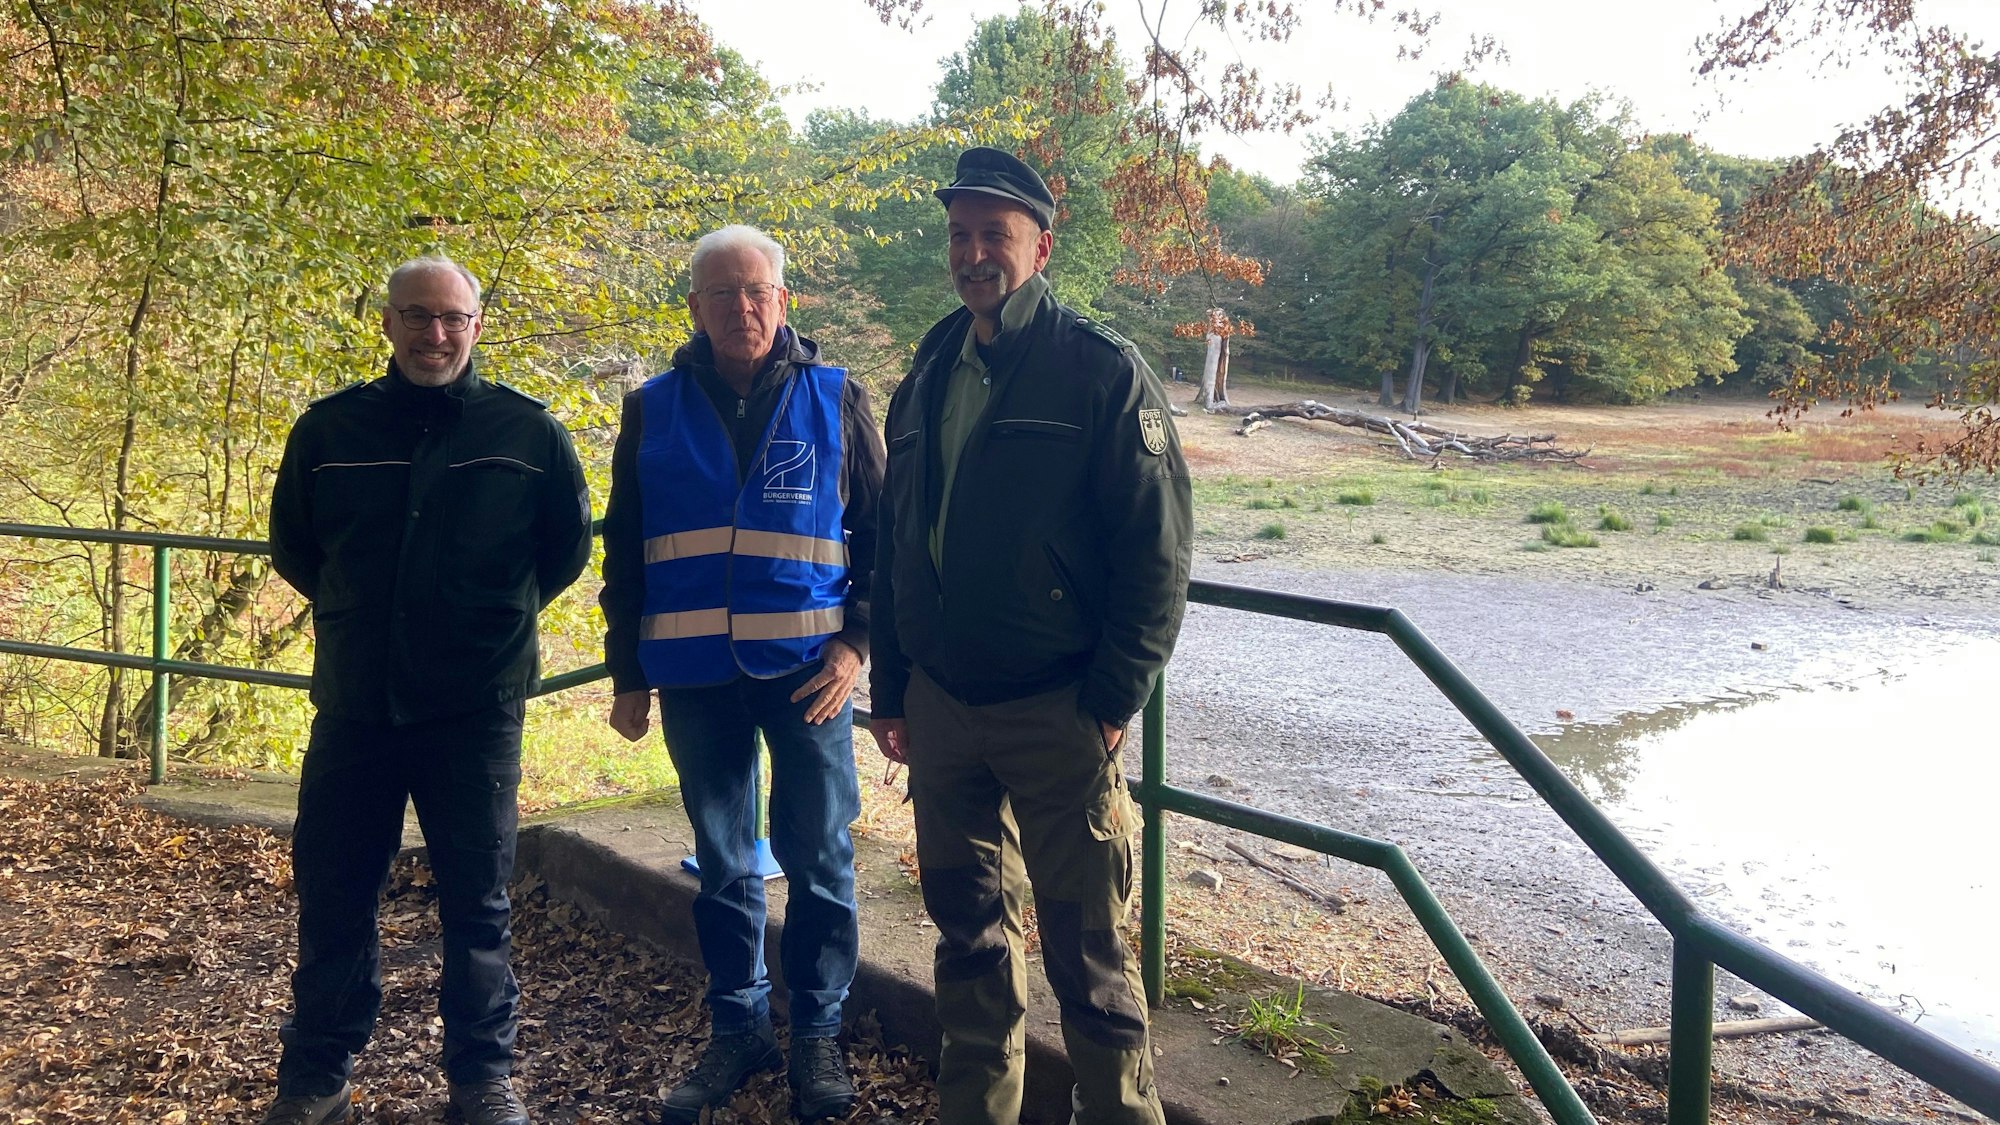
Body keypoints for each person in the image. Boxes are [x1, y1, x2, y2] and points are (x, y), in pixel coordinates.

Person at [869, 148, 1194, 1125]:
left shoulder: (1097, 372)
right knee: (966, 939)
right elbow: (897, 546)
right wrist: (893, 690)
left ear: (1039, 246)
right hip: (942, 712)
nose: (973, 253)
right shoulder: (929, 367)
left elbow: (1158, 554)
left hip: (1056, 713)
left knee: (1087, 958)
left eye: (994, 235)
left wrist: (1107, 704)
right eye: (960, 234)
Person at [262, 256, 592, 1125]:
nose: (434, 334)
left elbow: (564, 552)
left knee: (477, 900)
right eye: (417, 315)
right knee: (334, 890)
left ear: (477, 325)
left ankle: (482, 1081)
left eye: (452, 318)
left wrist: (479, 626)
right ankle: (316, 1078)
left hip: (475, 708)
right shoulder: (328, 433)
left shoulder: (527, 434)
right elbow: (296, 550)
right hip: (357, 704)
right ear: (387, 323)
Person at [599, 225, 884, 1124]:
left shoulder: (838, 398)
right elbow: (627, 550)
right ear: (695, 307)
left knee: (821, 859)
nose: (742, 307)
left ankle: (817, 1036)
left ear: (784, 299)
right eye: (722, 294)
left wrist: (856, 645)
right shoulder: (652, 408)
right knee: (724, 864)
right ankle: (739, 1026)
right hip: (693, 677)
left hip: (810, 675)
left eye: (757, 290)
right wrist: (627, 673)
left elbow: (884, 544)